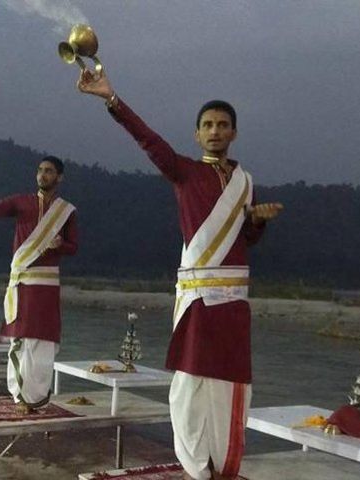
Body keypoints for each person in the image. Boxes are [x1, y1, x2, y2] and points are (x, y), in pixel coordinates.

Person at [77, 70, 282, 480]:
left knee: (230, 384)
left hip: (234, 302)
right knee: (190, 384)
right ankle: (194, 464)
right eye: (207, 125)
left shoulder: (245, 183)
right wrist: (111, 98)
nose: (215, 131)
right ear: (196, 134)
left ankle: (222, 463)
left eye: (223, 125)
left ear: (234, 133)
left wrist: (257, 221)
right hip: (197, 298)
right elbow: (148, 139)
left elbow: (246, 241)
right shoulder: (185, 171)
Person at [0, 156, 78, 414]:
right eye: (40, 170)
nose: (42, 175)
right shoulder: (20, 202)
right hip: (23, 283)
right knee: (20, 339)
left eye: (49, 171)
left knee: (43, 339)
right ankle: (19, 396)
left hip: (47, 286)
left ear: (59, 177)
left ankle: (36, 397)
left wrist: (61, 245)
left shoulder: (66, 210)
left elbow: (74, 246)